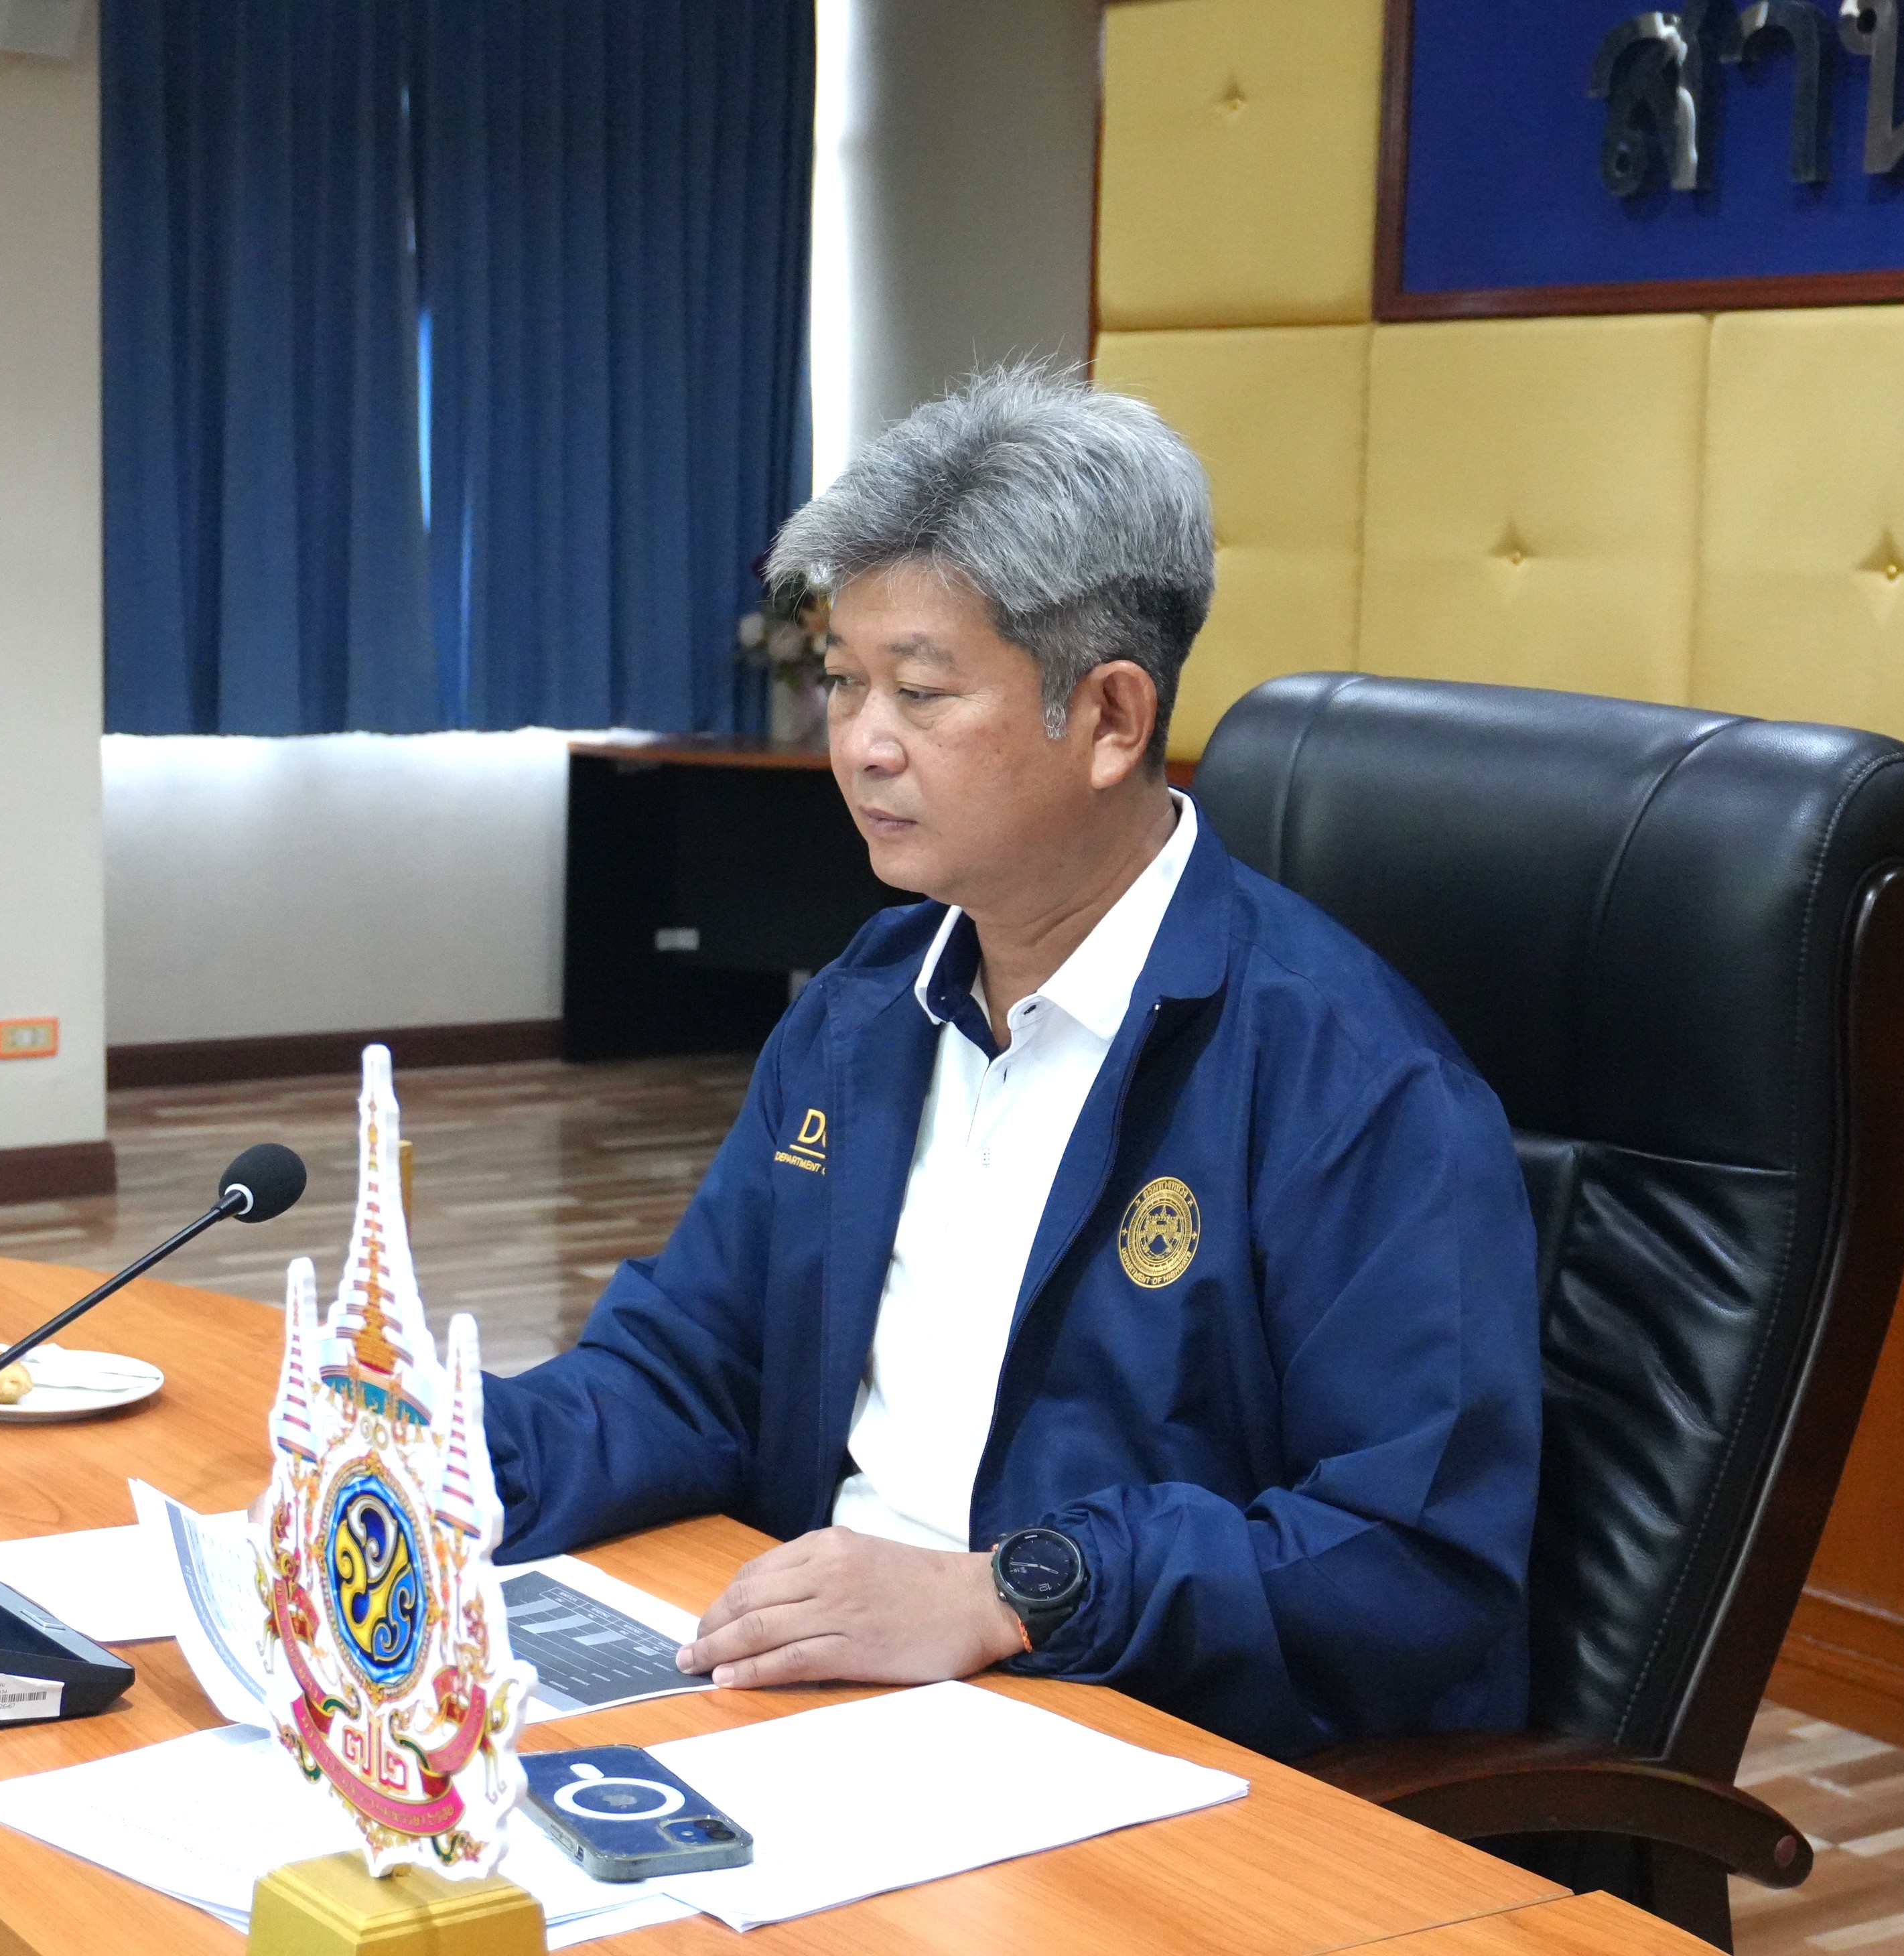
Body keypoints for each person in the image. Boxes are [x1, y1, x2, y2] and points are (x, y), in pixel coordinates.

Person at [480, 367, 1541, 1761]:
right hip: (820, 1695)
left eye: (920, 692)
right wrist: (447, 1458)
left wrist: (1005, 1596)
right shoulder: (864, 1007)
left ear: (1110, 719)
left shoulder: (1350, 1080)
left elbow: (1411, 1560)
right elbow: (692, 1367)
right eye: (844, 681)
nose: (859, 744)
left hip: (1116, 1745)